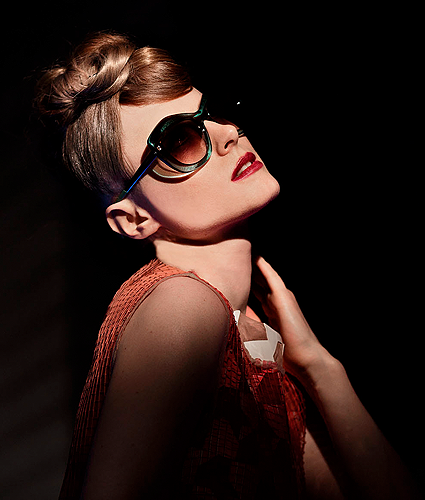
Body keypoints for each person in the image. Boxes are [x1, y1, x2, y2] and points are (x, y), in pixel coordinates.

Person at [35, 31, 419, 500]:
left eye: (211, 113)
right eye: (179, 140)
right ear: (133, 219)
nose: (227, 133)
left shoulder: (249, 331)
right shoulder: (183, 304)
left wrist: (320, 367)